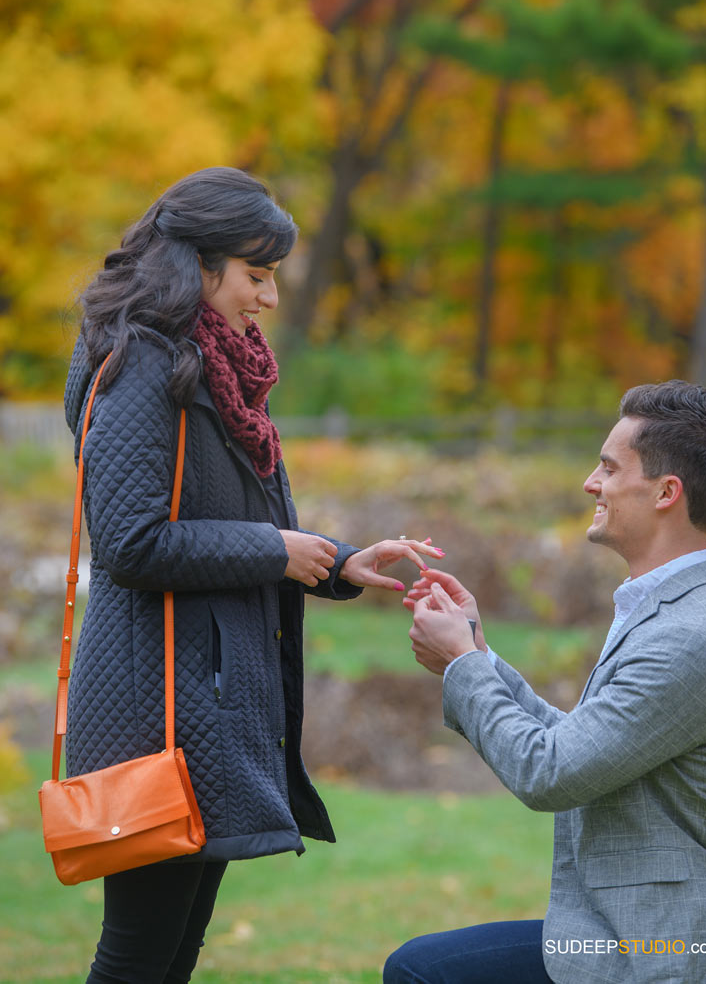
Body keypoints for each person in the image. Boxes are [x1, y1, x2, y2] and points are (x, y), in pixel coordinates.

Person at [64, 165, 444, 984]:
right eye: (256, 275)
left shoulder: (219, 370)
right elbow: (129, 543)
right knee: (136, 957)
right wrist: (276, 549)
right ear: (197, 267)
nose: (268, 298)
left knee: (173, 954)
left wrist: (339, 560)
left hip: (207, 709)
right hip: (155, 709)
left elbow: (239, 515)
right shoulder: (141, 367)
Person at [384, 380, 706, 984]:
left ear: (666, 492)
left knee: (422, 973)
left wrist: (462, 667)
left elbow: (550, 773)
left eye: (608, 468)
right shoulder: (668, 610)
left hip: (667, 952)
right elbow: (582, 743)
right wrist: (477, 652)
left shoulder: (690, 636)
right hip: (617, 934)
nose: (590, 483)